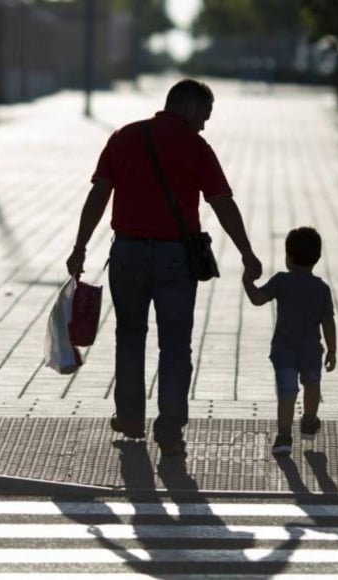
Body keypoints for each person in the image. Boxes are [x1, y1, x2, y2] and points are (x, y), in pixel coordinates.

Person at [66, 79, 262, 457]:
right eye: (204, 115)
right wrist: (247, 253)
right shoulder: (196, 147)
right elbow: (222, 202)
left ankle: (130, 417)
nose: (204, 124)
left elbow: (99, 194)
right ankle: (169, 428)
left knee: (130, 335)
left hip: (128, 254)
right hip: (176, 258)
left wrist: (80, 246)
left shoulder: (124, 137)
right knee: (175, 344)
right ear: (188, 108)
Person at [242, 226, 336, 456]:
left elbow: (257, 299)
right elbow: (328, 322)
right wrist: (332, 350)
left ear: (289, 258)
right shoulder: (321, 289)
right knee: (312, 384)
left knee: (287, 391)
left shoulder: (281, 281)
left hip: (284, 349)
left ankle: (284, 436)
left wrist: (247, 280)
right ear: (317, 258)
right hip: (311, 350)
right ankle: (309, 421)